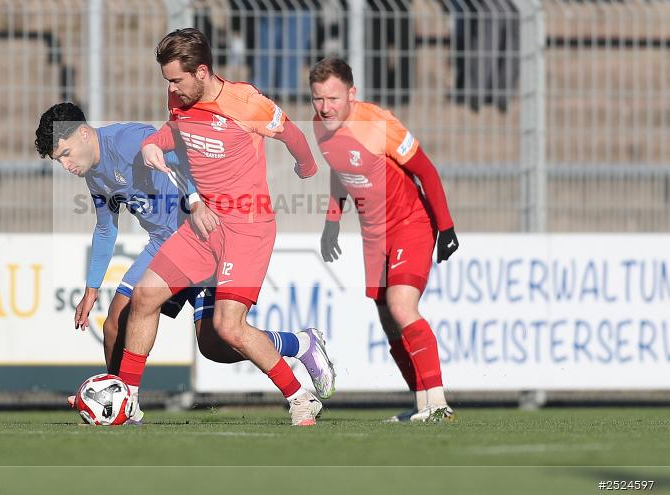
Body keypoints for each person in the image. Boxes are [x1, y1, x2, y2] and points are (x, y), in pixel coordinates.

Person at [34, 102, 335, 413]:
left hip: (198, 236)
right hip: (161, 245)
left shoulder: (128, 141)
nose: (66, 165)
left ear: (84, 134)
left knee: (215, 343)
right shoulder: (94, 176)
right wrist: (92, 287)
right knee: (115, 324)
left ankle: (300, 344)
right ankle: (117, 404)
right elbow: (106, 229)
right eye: (59, 161)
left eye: (65, 154)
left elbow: (184, 154)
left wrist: (196, 201)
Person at [117, 28, 329, 426]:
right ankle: (128, 400)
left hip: (248, 227)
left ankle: (300, 396)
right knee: (144, 298)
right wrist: (153, 144)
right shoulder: (180, 96)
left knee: (227, 328)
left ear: (201, 72)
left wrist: (307, 166)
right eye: (168, 82)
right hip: (205, 225)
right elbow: (175, 134)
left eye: (177, 80)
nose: (172, 89)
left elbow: (293, 134)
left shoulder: (246, 102)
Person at [309, 57, 459, 423]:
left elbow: (426, 171)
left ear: (352, 93)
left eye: (333, 98)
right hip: (374, 234)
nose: (325, 108)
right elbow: (340, 168)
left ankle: (439, 403)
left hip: (411, 223)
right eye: (318, 99)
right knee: (389, 320)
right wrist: (332, 221)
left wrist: (446, 227)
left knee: (401, 306)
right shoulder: (319, 126)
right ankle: (422, 403)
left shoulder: (378, 123)